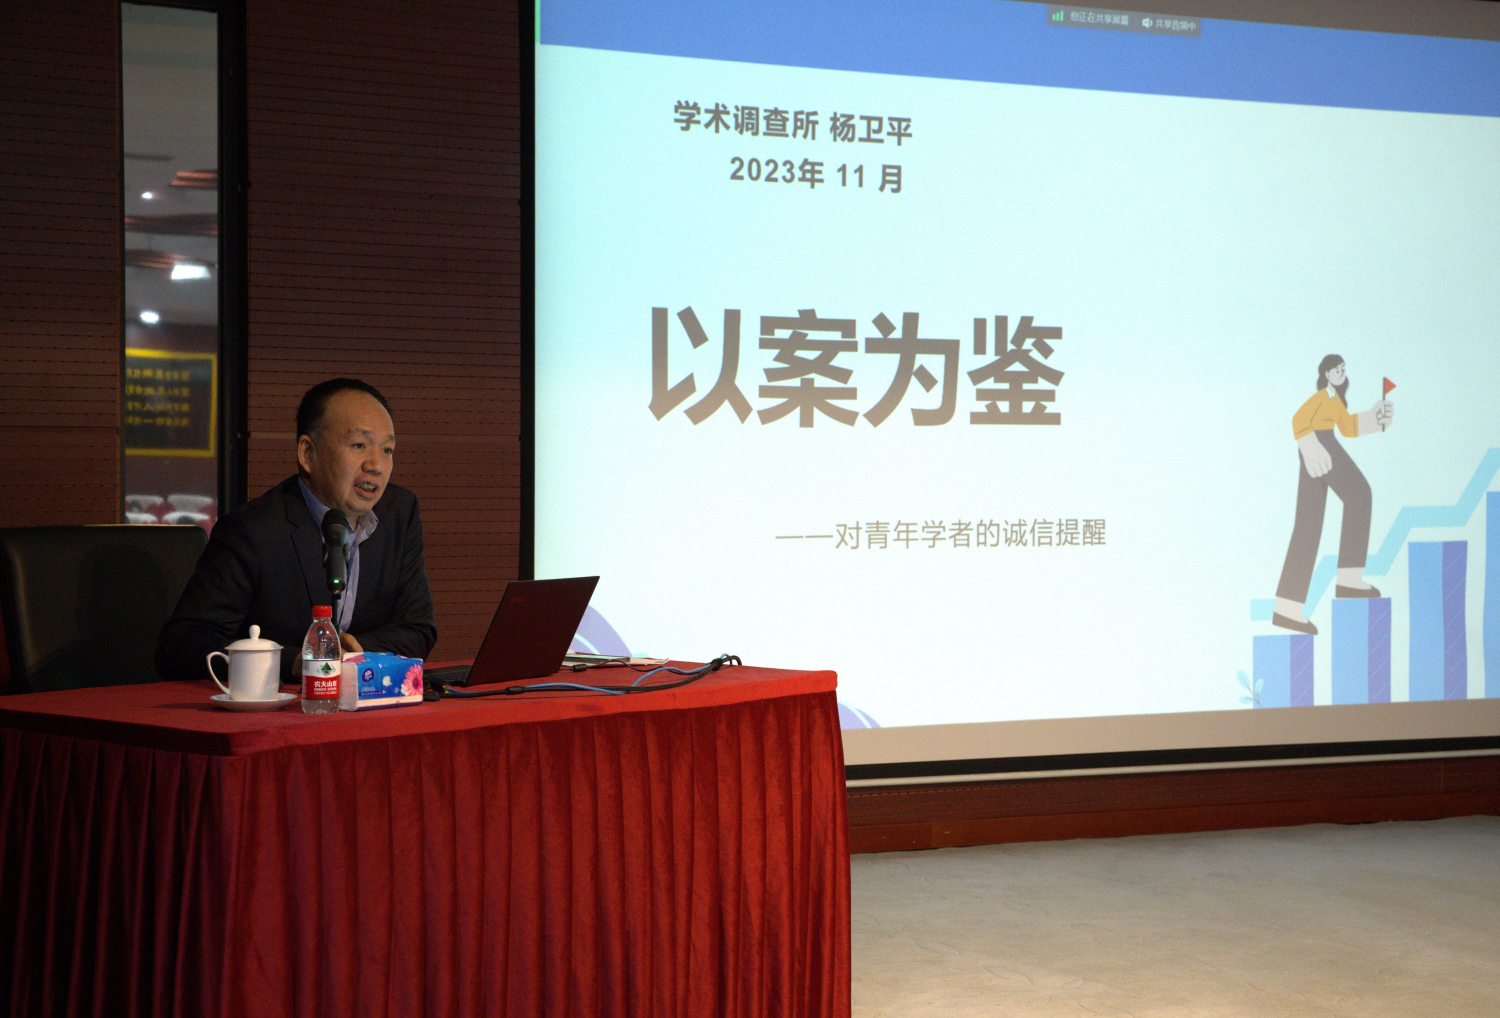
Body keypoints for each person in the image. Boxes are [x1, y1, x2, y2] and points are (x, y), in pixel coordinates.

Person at [156, 378, 437, 684]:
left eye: (387, 449)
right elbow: (181, 646)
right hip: (281, 705)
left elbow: (417, 629)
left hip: (366, 699)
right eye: (359, 445)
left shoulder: (399, 512)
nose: (377, 466)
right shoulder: (252, 531)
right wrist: (297, 662)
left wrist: (347, 655)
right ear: (308, 453)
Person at [1272, 355, 1393, 635]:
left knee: (1309, 521)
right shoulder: (1321, 397)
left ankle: (1287, 607)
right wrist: (1309, 444)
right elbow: (1298, 419)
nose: (1341, 372)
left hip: (1324, 444)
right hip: (1318, 445)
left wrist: (1375, 419)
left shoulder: (1336, 400)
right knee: (1359, 494)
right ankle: (1348, 579)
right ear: (1326, 373)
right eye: (1337, 369)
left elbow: (1347, 427)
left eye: (1343, 369)